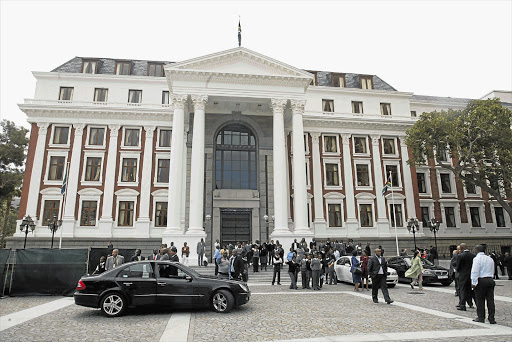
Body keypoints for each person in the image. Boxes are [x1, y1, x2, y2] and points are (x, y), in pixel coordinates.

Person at [471, 245, 496, 324]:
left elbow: (475, 271)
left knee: (480, 300)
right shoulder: (490, 258)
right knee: (490, 300)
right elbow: (493, 269)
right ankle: (491, 318)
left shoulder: (477, 259)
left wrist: (474, 282)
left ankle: (481, 317)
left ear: (476, 250)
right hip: (490, 279)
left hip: (481, 280)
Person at [456, 243, 475, 311]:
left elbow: (458, 267)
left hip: (463, 275)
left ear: (461, 248)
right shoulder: (473, 255)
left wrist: (458, 271)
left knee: (463, 290)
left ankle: (462, 305)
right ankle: (473, 303)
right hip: (471, 275)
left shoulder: (460, 256)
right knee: (471, 291)